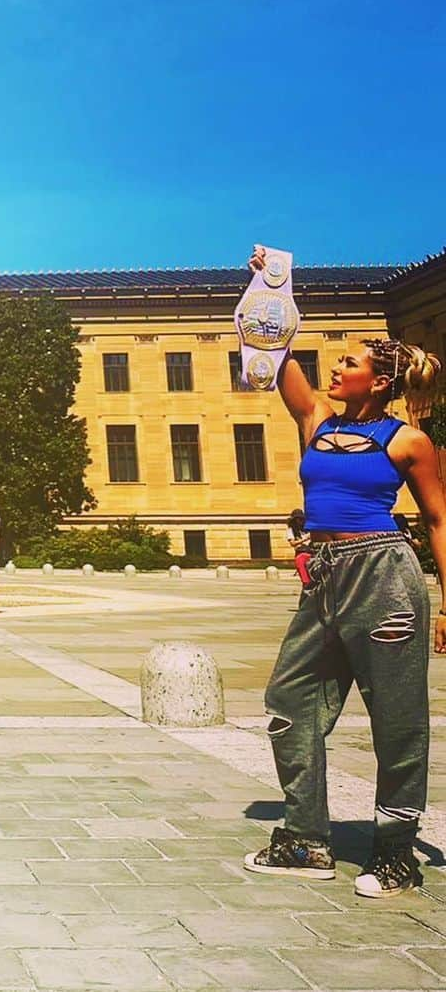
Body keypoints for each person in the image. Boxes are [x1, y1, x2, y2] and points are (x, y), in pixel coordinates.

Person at [241, 245, 446, 898]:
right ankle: (305, 839)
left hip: (385, 575)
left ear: (378, 381)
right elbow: (275, 359)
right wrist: (270, 286)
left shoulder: (407, 441)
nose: (337, 366)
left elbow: (440, 521)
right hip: (323, 577)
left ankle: (393, 855)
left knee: (398, 719)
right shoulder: (317, 421)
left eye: (350, 362)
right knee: (290, 701)